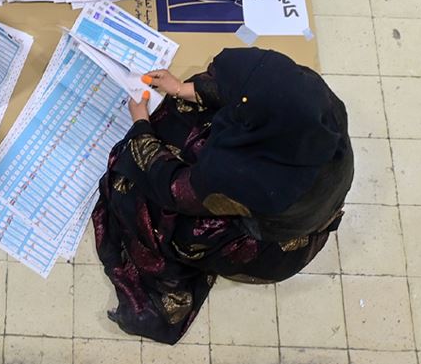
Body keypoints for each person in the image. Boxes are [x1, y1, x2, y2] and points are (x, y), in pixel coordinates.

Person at [94, 47, 354, 345]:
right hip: (311, 202)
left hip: (265, 238)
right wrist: (181, 89)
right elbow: (255, 88)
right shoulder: (315, 100)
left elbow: (174, 190)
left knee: (137, 194)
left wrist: (141, 125)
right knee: (194, 111)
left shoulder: (238, 173)